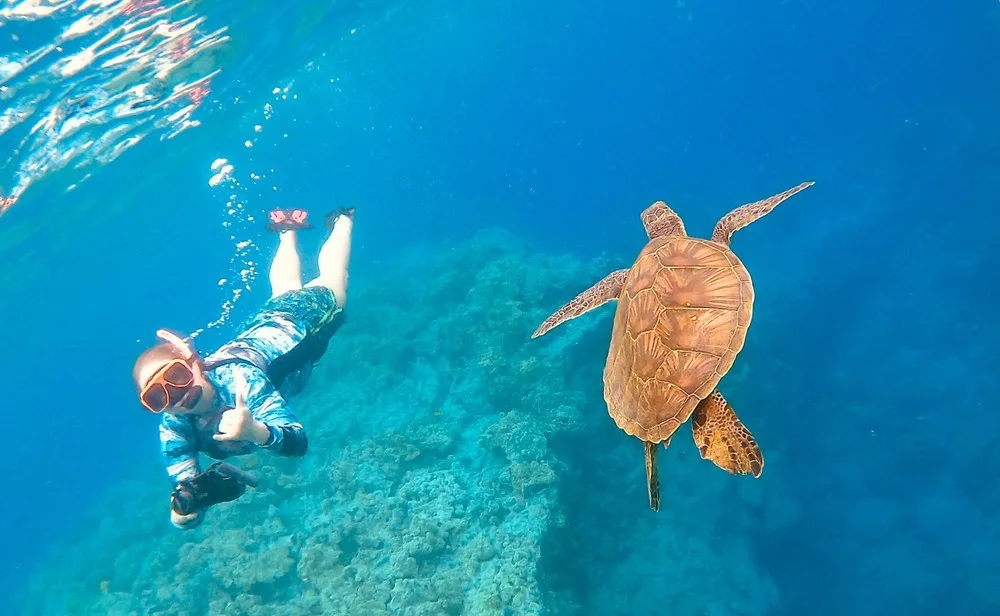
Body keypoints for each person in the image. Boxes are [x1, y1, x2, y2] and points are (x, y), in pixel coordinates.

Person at [132, 207, 354, 529]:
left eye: (176, 377)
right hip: (267, 324)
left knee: (335, 279)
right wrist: (184, 508)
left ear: (195, 363)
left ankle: (343, 220)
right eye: (159, 397)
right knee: (285, 288)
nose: (177, 396)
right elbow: (184, 489)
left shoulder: (241, 383)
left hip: (305, 323)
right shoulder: (174, 425)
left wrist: (256, 431)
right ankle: (287, 229)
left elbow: (298, 441)